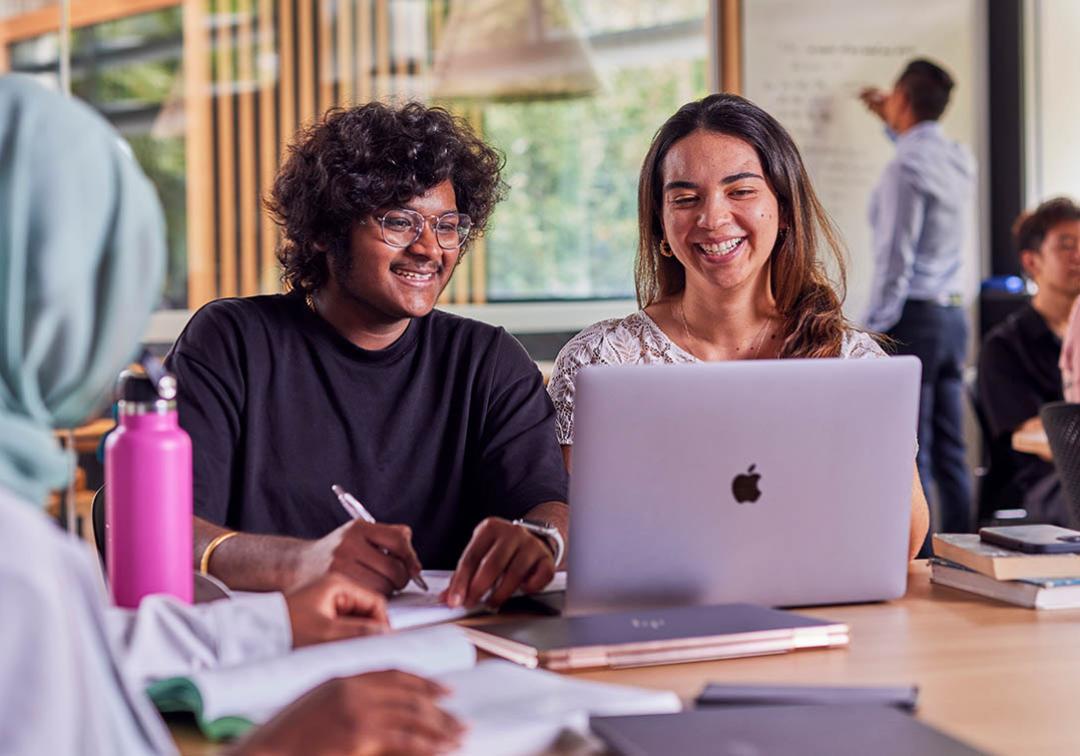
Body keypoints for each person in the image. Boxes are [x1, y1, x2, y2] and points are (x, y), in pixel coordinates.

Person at [0, 75, 462, 755]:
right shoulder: (20, 564)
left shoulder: (26, 555)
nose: (428, 247)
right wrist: (287, 745)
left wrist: (275, 625)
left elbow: (91, 652)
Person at [166, 102, 568, 610]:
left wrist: (539, 539)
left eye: (447, 225)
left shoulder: (488, 362)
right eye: (399, 222)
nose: (430, 249)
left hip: (448, 648)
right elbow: (168, 530)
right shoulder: (232, 343)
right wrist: (301, 563)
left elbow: (549, 506)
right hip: (276, 643)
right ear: (324, 230)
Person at [547, 93, 930, 561]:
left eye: (741, 191)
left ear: (784, 211)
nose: (712, 218)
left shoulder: (852, 360)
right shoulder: (600, 360)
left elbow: (904, 540)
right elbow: (578, 534)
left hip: (824, 613)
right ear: (659, 226)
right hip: (661, 618)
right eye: (685, 198)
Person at [858, 58, 976, 537]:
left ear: (901, 100)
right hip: (953, 320)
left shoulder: (902, 169)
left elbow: (893, 260)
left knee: (914, 451)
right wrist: (891, 122)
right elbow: (915, 146)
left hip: (915, 320)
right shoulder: (958, 159)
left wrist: (868, 329)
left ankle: (921, 562)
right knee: (952, 451)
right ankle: (969, 559)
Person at [979, 197, 1080, 525]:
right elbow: (1030, 435)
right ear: (1032, 261)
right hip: (1038, 486)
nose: (1078, 255)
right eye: (1066, 246)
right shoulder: (1004, 346)